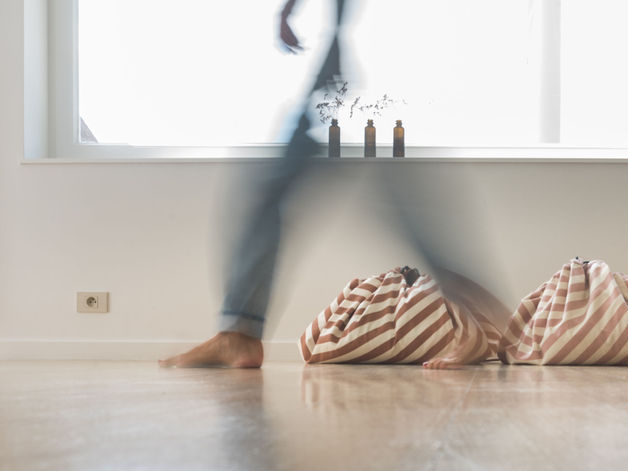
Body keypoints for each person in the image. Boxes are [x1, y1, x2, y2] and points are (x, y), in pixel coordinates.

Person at [159, 0, 503, 370]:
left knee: (389, 193)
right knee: (286, 187)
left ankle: (486, 319)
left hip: (354, 53)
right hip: (342, 52)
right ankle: (238, 333)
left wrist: (288, 11)